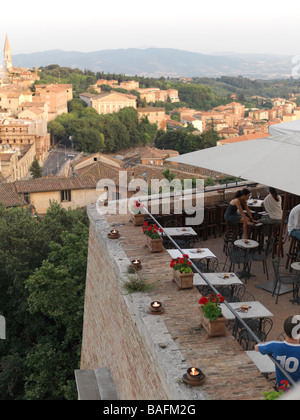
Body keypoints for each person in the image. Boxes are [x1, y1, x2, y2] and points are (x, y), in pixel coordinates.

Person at [255, 316, 300, 387]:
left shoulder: (275, 345)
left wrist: (269, 343)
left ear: (284, 330)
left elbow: (257, 347)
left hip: (283, 388)